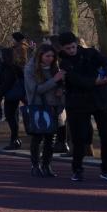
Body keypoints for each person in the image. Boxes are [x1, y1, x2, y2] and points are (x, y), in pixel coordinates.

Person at [56, 31, 107, 182]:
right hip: (78, 103)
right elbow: (76, 80)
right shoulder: (64, 63)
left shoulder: (91, 53)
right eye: (68, 48)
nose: (71, 51)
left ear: (76, 44)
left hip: (99, 100)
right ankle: (77, 169)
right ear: (63, 48)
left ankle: (106, 168)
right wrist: (95, 82)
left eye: (73, 47)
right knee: (79, 138)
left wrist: (106, 73)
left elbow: (106, 62)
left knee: (106, 135)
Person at [23, 44, 64, 178]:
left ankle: (46, 164)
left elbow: (61, 85)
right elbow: (35, 89)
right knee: (37, 137)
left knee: (51, 138)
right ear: (40, 55)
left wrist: (61, 89)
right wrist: (54, 80)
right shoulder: (30, 69)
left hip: (54, 107)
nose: (50, 59)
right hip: (38, 107)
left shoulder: (55, 68)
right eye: (47, 56)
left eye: (52, 56)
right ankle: (35, 165)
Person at [0, 32, 30, 150]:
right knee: (16, 113)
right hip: (21, 87)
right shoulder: (25, 48)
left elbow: (7, 82)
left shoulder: (18, 51)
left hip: (14, 90)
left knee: (11, 115)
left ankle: (15, 139)